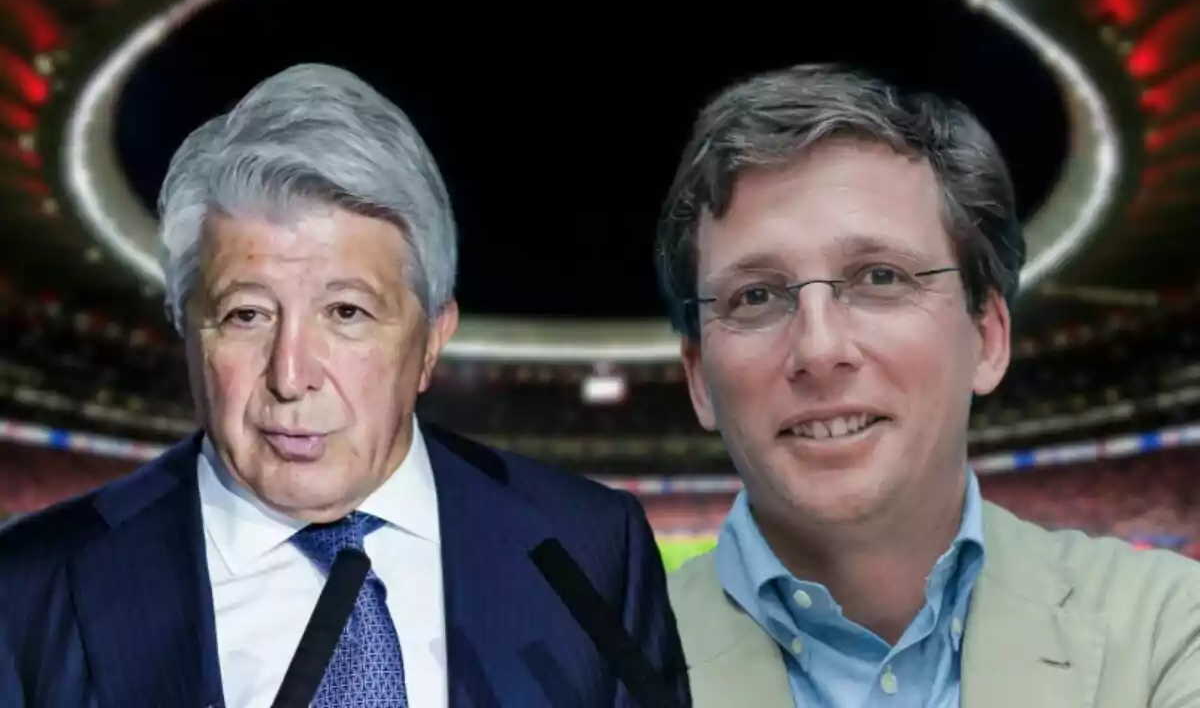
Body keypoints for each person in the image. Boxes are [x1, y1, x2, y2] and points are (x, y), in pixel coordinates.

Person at [0, 64, 689, 708]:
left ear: (430, 341)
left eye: (347, 313)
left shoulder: (596, 546)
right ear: (188, 331)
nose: (291, 376)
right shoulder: (32, 588)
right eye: (246, 315)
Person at [657, 64, 1200, 707]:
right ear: (698, 377)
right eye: (755, 296)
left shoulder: (1170, 630)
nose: (820, 349)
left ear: (989, 336)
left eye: (880, 277)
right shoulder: (588, 668)